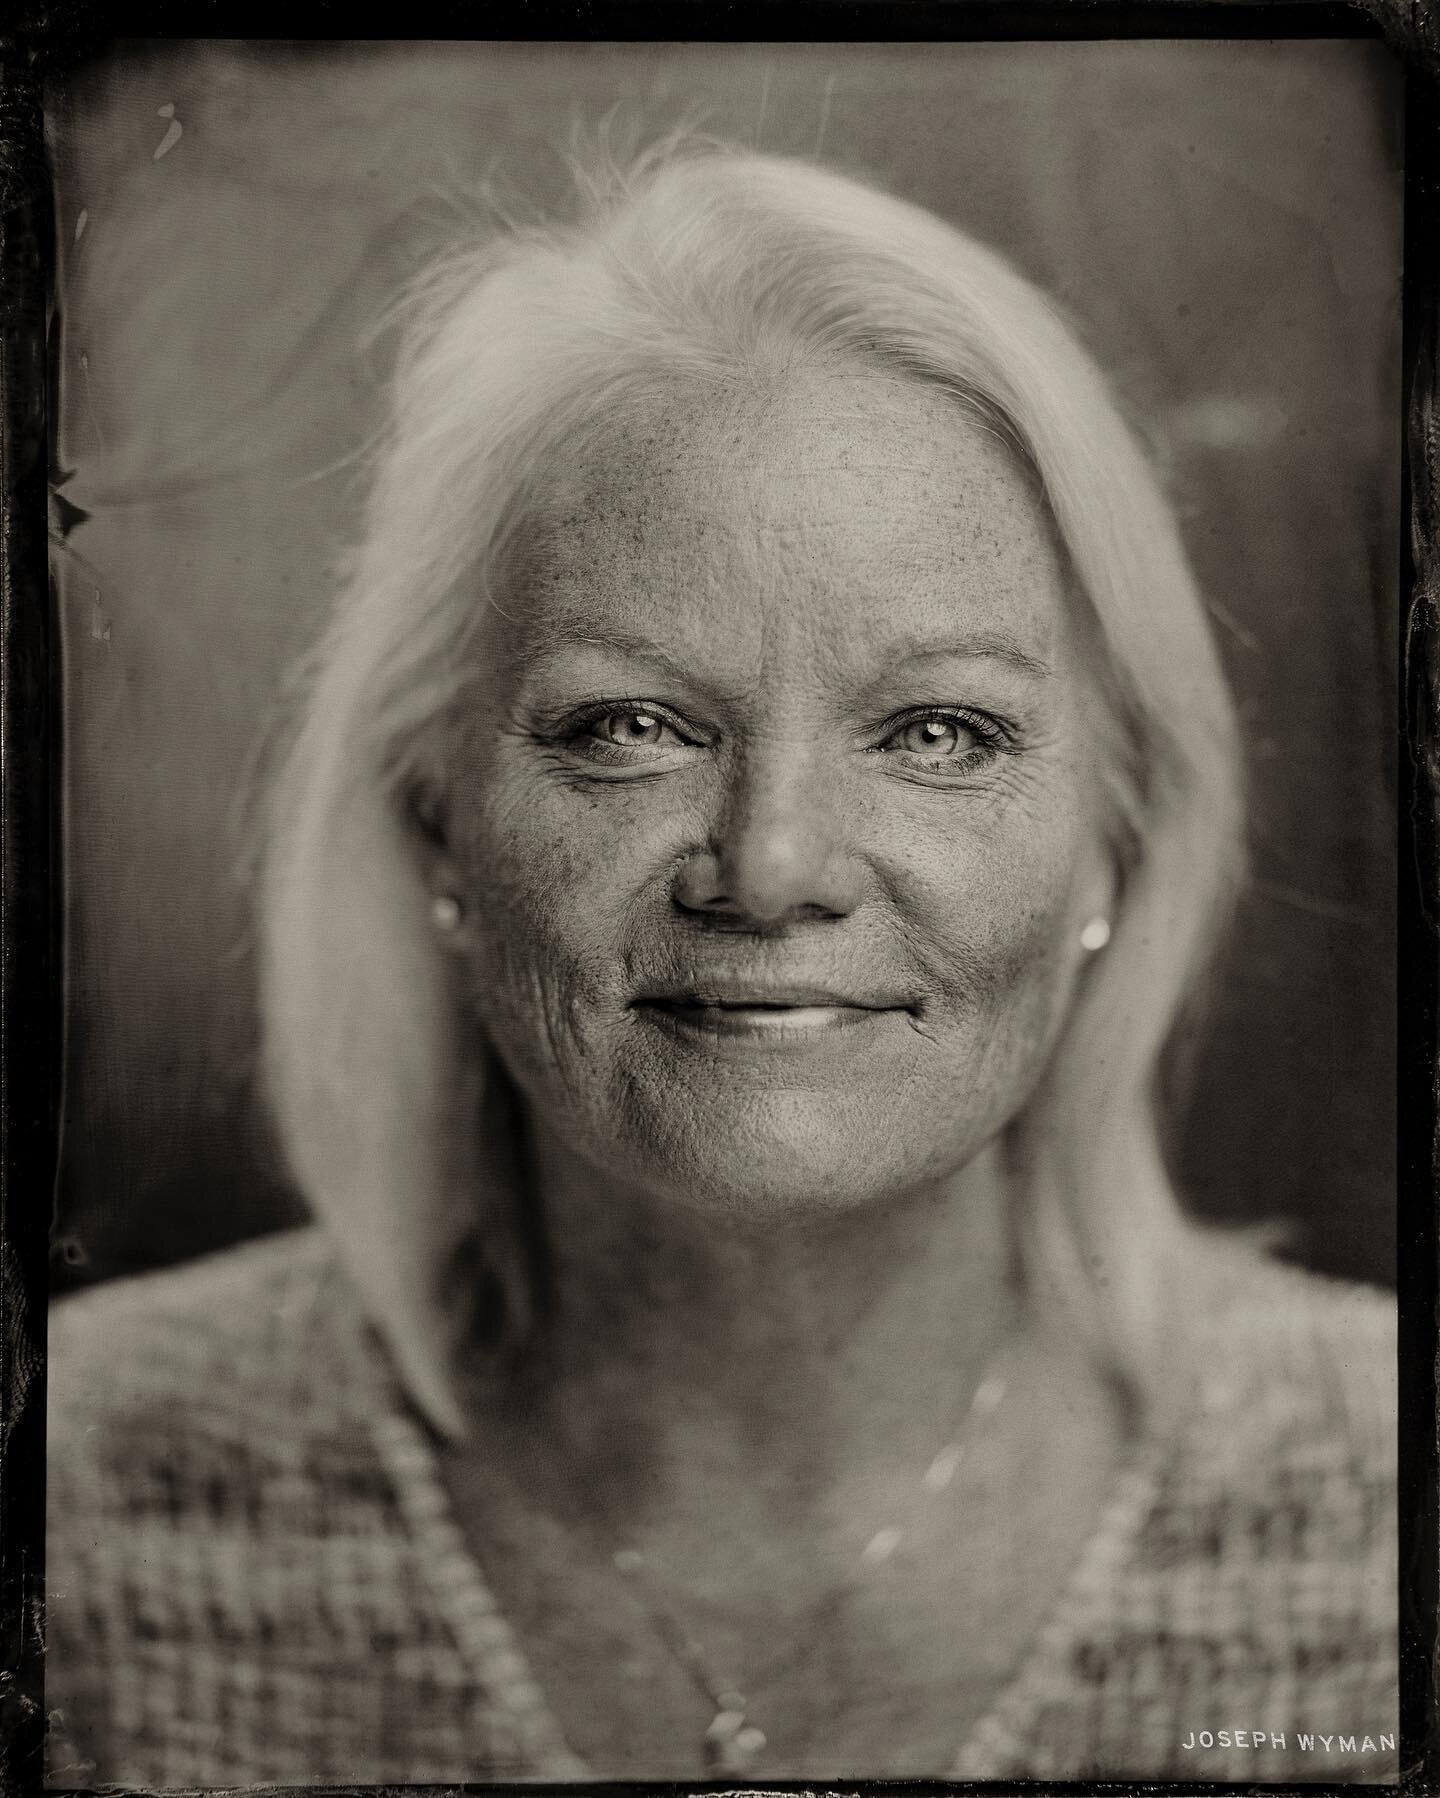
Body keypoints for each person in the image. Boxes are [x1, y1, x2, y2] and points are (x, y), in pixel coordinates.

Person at [45, 143, 1396, 1786]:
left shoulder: (1388, 1492)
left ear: (1119, 836)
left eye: (938, 731)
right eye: (630, 725)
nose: (773, 866)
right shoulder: (77, 1492)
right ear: (432, 825)